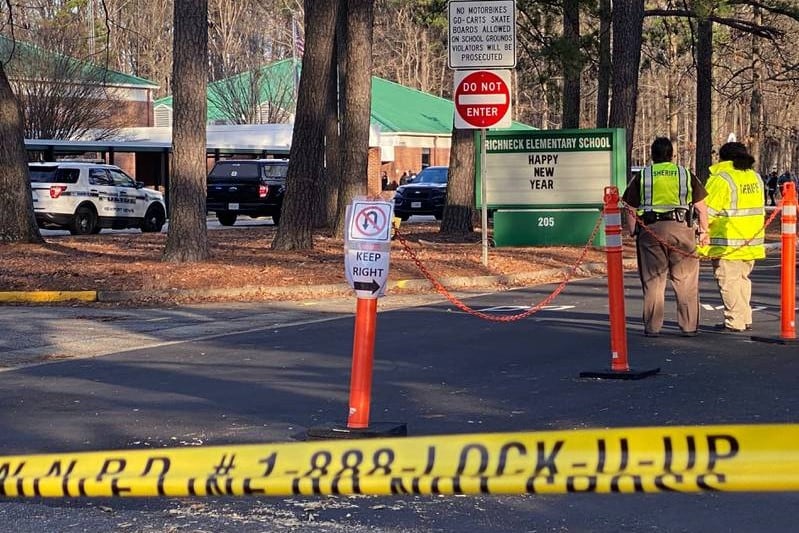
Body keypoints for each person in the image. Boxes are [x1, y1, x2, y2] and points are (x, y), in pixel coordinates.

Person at [623, 137, 709, 337]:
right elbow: (702, 208)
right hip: (682, 230)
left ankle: (652, 327)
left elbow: (630, 208)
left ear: (652, 155)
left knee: (654, 281)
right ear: (672, 155)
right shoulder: (685, 174)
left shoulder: (643, 175)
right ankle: (688, 326)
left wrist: (634, 229)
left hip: (651, 230)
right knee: (686, 280)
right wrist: (704, 231)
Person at [698, 141, 766, 332]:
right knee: (743, 280)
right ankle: (745, 317)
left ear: (722, 158)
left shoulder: (722, 178)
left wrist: (702, 232)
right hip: (752, 240)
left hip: (728, 241)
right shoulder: (755, 177)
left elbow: (708, 211)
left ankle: (734, 321)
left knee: (728, 281)